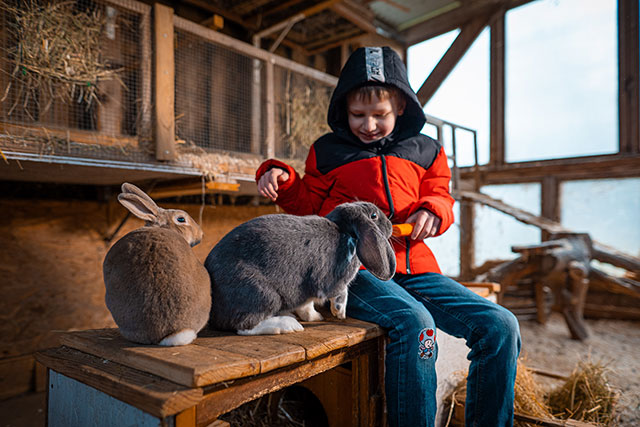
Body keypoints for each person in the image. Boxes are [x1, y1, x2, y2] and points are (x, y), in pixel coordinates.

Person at [256, 46, 520, 427]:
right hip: (354, 269)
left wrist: (433, 209)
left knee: (501, 326)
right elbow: (307, 204)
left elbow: (441, 195)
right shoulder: (328, 152)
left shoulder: (427, 151)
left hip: (417, 268)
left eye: (379, 115)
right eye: (357, 115)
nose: (368, 125)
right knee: (416, 323)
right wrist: (283, 179)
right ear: (344, 109)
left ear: (400, 106)